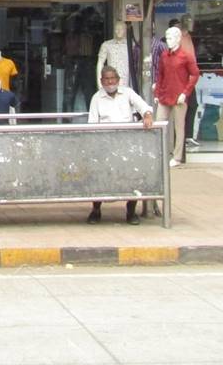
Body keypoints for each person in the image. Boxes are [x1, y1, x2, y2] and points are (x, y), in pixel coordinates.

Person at [85, 65, 154, 225]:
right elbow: (92, 123)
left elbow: (143, 106)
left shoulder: (127, 92)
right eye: (106, 79)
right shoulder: (96, 98)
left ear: (118, 80)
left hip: (127, 143)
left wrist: (147, 115)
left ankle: (131, 212)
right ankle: (96, 210)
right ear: (102, 81)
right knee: (100, 178)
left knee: (131, 177)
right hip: (105, 144)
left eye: (112, 78)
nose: (110, 82)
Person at [153, 25, 199, 167]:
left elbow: (195, 74)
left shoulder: (186, 56)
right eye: (167, 38)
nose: (169, 41)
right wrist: (157, 93)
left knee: (179, 127)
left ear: (178, 39)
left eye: (171, 38)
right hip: (165, 95)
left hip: (179, 96)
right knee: (159, 124)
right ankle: (160, 152)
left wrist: (185, 93)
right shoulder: (164, 55)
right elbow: (160, 75)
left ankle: (177, 157)